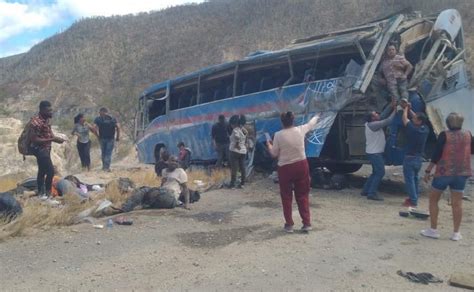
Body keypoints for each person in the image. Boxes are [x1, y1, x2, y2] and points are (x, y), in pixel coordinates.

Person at [421, 113, 473, 241]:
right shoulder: (468, 134)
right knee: (457, 204)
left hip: (443, 173)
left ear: (448, 123)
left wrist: (428, 170)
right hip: (461, 173)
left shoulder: (444, 135)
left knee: (433, 200)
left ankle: (433, 230)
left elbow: (436, 154)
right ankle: (456, 233)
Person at [266, 111, 319, 233]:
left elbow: (274, 154)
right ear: (293, 120)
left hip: (285, 168)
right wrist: (317, 115)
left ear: (282, 122)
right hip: (301, 165)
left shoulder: (278, 135)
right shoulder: (301, 130)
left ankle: (289, 225)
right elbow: (311, 124)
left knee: (286, 197)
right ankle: (306, 223)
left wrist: (269, 145)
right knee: (302, 195)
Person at [361, 101, 397, 201]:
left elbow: (383, 116)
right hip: (375, 153)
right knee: (380, 172)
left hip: (372, 152)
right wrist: (395, 110)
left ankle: (366, 190)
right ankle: (372, 193)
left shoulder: (370, 124)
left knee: (375, 172)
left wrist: (391, 105)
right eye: (375, 114)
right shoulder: (374, 125)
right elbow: (388, 121)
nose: (377, 114)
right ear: (372, 118)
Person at [29, 101, 65, 199]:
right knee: (50, 171)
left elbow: (49, 133)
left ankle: (41, 194)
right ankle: (48, 194)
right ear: (42, 110)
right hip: (40, 150)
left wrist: (56, 139)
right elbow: (34, 139)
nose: (51, 112)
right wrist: (52, 139)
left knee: (42, 171)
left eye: (51, 110)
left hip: (46, 149)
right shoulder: (35, 122)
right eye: (49, 110)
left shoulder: (46, 120)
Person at [401, 103, 429, 207]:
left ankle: (413, 201)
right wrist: (410, 109)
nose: (413, 119)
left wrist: (406, 109)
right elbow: (414, 117)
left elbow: (405, 119)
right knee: (415, 179)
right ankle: (415, 197)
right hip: (418, 159)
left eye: (415, 118)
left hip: (410, 159)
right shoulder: (425, 129)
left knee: (409, 180)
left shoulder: (413, 129)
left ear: (420, 121)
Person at [94, 107, 120, 172]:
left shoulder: (98, 119)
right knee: (108, 153)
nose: (99, 113)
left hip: (102, 138)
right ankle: (106, 168)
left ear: (103, 112)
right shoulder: (112, 119)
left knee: (104, 153)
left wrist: (97, 136)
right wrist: (117, 137)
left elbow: (94, 128)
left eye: (100, 112)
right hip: (110, 139)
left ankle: (104, 167)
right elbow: (118, 127)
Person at [228, 115, 247, 188]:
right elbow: (246, 134)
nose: (231, 125)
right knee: (242, 167)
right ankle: (242, 183)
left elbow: (237, 137)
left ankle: (232, 184)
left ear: (234, 123)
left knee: (234, 168)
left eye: (231, 124)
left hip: (234, 151)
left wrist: (237, 144)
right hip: (243, 151)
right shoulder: (243, 129)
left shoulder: (235, 130)